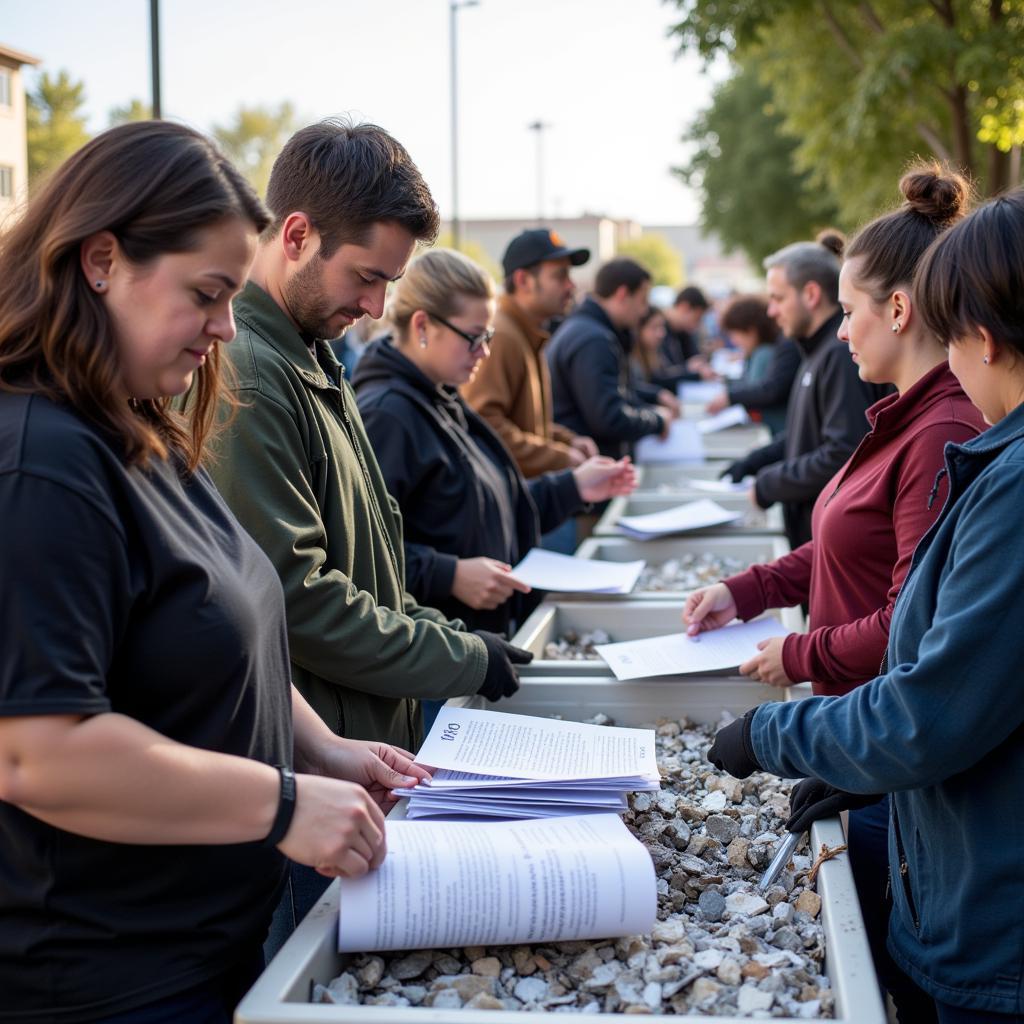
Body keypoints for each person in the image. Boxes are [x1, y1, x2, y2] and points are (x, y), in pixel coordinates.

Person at [0, 121, 428, 1023]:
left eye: (234, 296)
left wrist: (318, 746)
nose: (226, 328)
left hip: (206, 947)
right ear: (102, 259)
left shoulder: (139, 423)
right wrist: (280, 804)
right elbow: (37, 753)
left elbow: (226, 622)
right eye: (206, 294)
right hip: (107, 976)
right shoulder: (40, 462)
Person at [199, 120, 532, 948]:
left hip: (355, 764)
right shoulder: (250, 372)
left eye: (389, 283)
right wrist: (460, 654)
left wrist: (447, 638)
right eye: (367, 277)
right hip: (309, 785)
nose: (377, 307)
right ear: (299, 234)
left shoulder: (311, 352)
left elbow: (368, 563)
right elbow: (295, 601)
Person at [707, 186, 1024, 1024]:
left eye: (953, 340)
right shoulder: (979, 443)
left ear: (983, 339)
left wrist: (773, 733)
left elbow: (932, 702)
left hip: (991, 927)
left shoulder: (983, 456)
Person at [354, 247, 636, 637]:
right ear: (422, 326)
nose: (484, 352)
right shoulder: (387, 416)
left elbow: (487, 510)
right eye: (473, 338)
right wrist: (449, 575)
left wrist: (572, 487)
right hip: (436, 657)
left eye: (486, 336)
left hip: (471, 644)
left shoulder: (442, 398)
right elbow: (360, 555)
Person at [723, 232, 889, 548]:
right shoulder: (815, 351)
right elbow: (806, 432)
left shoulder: (840, 355)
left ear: (810, 294)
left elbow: (845, 450)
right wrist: (756, 460)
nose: (771, 311)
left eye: (778, 298)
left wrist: (770, 483)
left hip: (829, 538)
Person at [461, 227, 598, 477]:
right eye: (560, 276)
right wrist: (559, 457)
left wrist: (566, 441)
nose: (571, 285)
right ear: (523, 280)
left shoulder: (522, 331)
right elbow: (485, 424)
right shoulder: (503, 335)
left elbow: (524, 425)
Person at [547, 258, 675, 459]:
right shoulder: (594, 339)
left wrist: (653, 401)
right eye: (642, 300)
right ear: (623, 294)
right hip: (591, 462)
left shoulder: (586, 329)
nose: (643, 311)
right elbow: (608, 417)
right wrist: (657, 421)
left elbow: (614, 393)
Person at [705, 294, 800, 437]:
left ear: (750, 331)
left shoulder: (763, 354)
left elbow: (758, 392)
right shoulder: (765, 351)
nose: (734, 341)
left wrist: (730, 396)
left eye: (734, 334)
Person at [661, 284, 711, 380]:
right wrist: (687, 368)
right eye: (696, 319)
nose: (697, 325)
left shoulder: (683, 331)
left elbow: (695, 357)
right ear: (684, 307)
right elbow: (663, 373)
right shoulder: (659, 330)